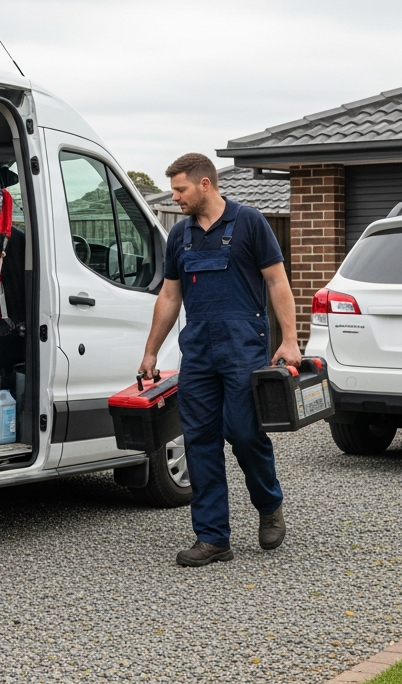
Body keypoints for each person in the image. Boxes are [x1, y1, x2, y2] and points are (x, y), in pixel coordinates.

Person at [138, 153, 299, 567]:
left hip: (243, 347)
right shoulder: (181, 237)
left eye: (180, 189)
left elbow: (277, 281)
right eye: (173, 190)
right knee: (199, 442)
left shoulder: (249, 222)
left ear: (205, 184)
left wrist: (291, 340)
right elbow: (170, 296)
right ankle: (213, 537)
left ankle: (268, 505)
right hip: (199, 353)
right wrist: (152, 350)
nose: (175, 197)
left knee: (245, 435)